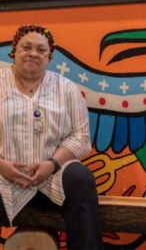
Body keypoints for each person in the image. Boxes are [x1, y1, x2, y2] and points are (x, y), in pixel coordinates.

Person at [0, 24, 103, 250]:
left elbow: (81, 137)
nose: (33, 53)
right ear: (14, 50)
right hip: (3, 178)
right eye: (26, 47)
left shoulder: (66, 89)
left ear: (49, 56)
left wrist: (52, 164)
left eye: (41, 50)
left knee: (80, 177)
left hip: (52, 179)